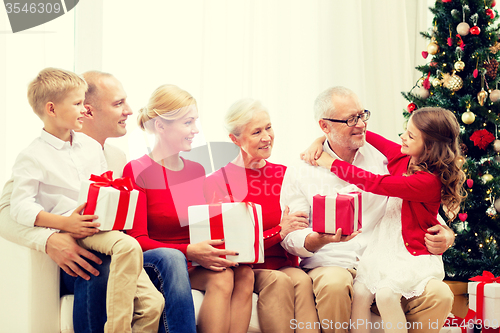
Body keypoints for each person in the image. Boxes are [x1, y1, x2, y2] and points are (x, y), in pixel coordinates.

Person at [0, 70, 197, 333]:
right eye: (118, 103)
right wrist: (49, 238)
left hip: (110, 242)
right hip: (79, 250)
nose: (129, 110)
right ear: (87, 111)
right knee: (102, 263)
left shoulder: (114, 156)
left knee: (167, 261)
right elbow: (8, 210)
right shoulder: (36, 155)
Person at [280, 86, 455, 333]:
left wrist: (447, 233)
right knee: (335, 284)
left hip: (386, 259)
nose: (361, 124)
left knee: (441, 294)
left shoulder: (387, 159)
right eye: (352, 119)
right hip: (334, 262)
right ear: (324, 126)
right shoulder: (302, 169)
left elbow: (414, 205)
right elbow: (290, 236)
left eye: (363, 115)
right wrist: (315, 240)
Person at [203, 98, 353, 333]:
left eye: (268, 127)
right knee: (282, 280)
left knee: (302, 280)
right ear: (235, 139)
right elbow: (233, 247)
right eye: (256, 132)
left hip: (284, 263)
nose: (267, 137)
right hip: (246, 269)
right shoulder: (218, 182)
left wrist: (319, 141)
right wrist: (279, 231)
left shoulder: (285, 174)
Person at [123, 84, 254, 333]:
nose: (195, 130)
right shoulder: (138, 170)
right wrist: (189, 251)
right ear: (161, 126)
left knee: (245, 274)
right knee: (223, 278)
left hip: (194, 261)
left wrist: (228, 213)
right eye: (188, 122)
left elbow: (198, 225)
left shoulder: (196, 170)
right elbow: (137, 240)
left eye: (195, 122)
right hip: (164, 266)